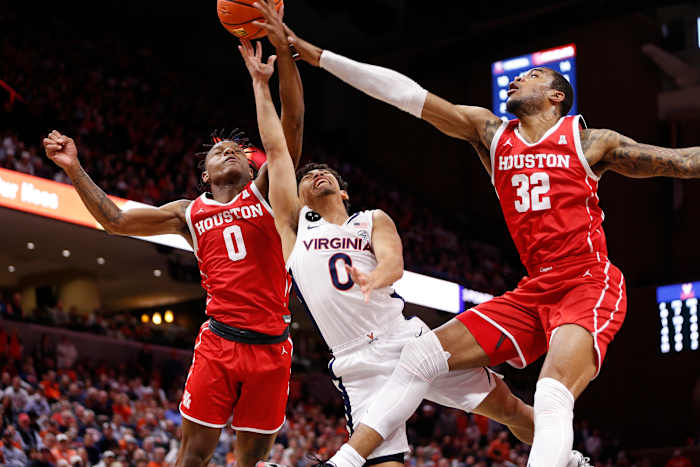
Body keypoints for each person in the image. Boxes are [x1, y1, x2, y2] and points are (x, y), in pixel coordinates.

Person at [279, 21, 700, 467]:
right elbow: (407, 96)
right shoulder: (491, 133)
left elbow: (683, 162)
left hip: (587, 283)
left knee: (552, 392)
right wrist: (320, 56)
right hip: (534, 289)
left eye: (533, 76)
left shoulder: (589, 142)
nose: (518, 78)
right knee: (421, 354)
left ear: (558, 96)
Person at [237, 18, 588, 467]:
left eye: (325, 173)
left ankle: (569, 458)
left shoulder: (372, 220)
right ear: (298, 195)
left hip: (406, 339)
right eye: (307, 177)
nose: (315, 174)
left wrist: (378, 275)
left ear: (344, 192)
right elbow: (283, 136)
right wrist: (262, 82)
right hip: (356, 363)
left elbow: (393, 264)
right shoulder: (293, 226)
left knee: (510, 410)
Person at [42, 2, 304, 464]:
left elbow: (291, 129)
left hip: (272, 349)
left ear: (250, 167)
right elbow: (115, 221)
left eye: (237, 150)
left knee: (251, 462)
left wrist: (280, 59)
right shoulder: (188, 212)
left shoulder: (265, 195)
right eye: (217, 149)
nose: (227, 149)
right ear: (204, 174)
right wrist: (74, 167)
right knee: (191, 458)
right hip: (219, 342)